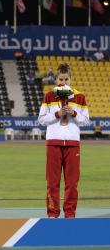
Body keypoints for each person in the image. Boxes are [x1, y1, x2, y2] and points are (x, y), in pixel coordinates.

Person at [38, 63, 89, 218]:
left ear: (70, 79)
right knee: (52, 182)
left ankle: (70, 214)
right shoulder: (49, 96)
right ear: (56, 79)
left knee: (72, 183)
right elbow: (41, 119)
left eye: (66, 79)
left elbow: (86, 120)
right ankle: (53, 214)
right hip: (53, 143)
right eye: (61, 79)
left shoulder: (80, 97)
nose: (64, 82)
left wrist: (73, 113)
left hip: (73, 144)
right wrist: (56, 114)